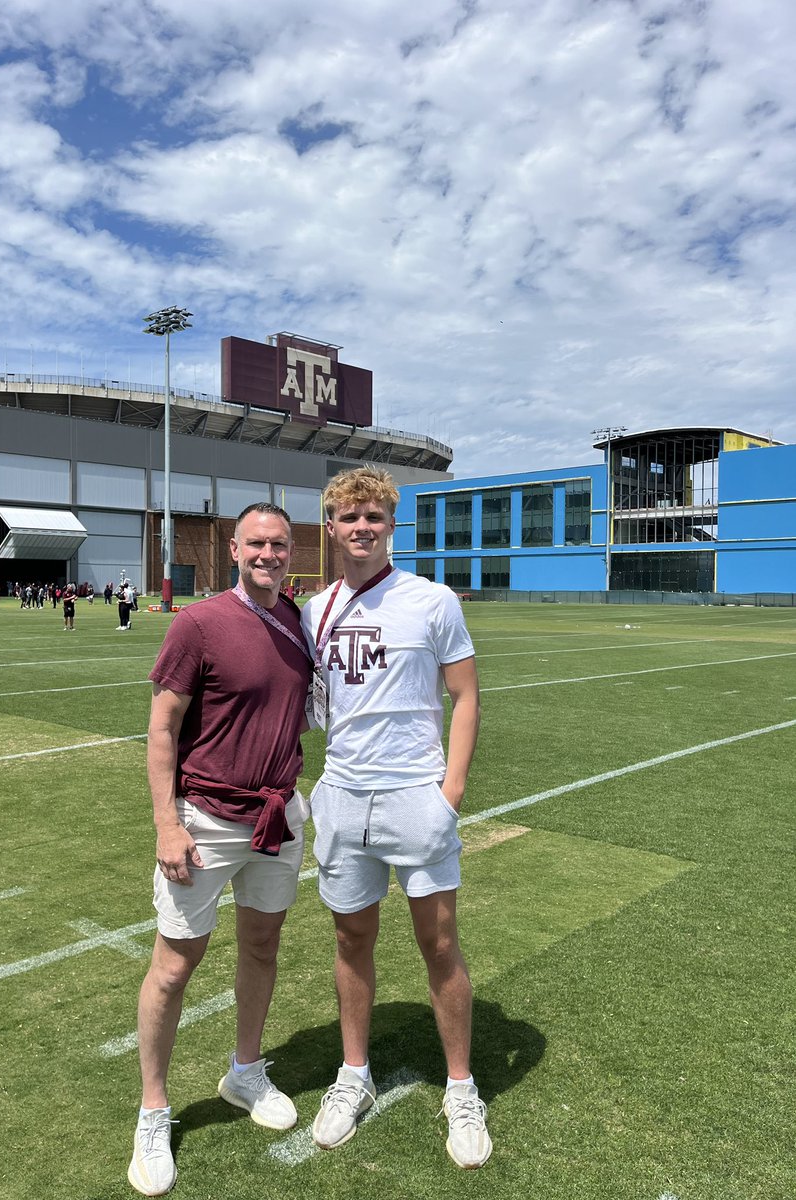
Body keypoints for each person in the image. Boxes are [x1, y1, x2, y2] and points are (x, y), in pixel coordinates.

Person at [301, 467, 490, 1169]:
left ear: (391, 524)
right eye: (349, 517)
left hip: (416, 793)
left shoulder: (433, 601)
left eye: (374, 516)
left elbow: (465, 696)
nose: (362, 528)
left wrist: (451, 792)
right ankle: (353, 1074)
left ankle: (461, 1087)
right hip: (345, 797)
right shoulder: (312, 610)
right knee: (352, 937)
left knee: (439, 942)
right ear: (330, 526)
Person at [128, 502, 313, 1197]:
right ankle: (153, 1110)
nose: (267, 553)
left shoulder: (297, 620)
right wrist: (166, 824)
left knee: (262, 947)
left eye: (279, 544)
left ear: (290, 552)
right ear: (233, 549)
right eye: (255, 543)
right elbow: (161, 728)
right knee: (175, 964)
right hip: (203, 818)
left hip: (276, 817)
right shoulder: (197, 623)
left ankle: (245, 1071)